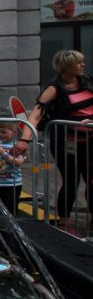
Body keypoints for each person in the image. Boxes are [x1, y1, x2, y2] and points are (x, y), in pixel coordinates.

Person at [16, 50, 92, 233]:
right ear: (67, 67)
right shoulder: (54, 88)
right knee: (71, 182)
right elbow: (36, 115)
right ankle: (64, 223)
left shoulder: (87, 81)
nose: (83, 65)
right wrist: (24, 140)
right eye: (79, 63)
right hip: (66, 143)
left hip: (89, 141)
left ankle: (91, 220)